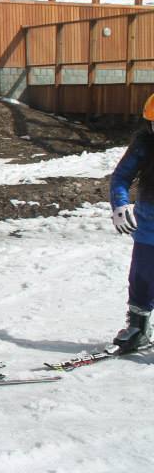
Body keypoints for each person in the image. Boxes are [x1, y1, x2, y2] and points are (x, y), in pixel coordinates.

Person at [107, 93, 154, 353]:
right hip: (149, 227)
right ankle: (138, 328)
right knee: (142, 278)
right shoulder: (144, 145)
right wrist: (120, 204)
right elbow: (121, 177)